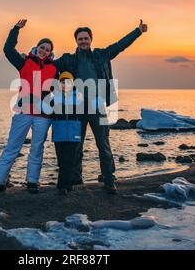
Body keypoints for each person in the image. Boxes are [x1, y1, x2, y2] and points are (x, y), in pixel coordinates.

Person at [54, 19, 148, 194]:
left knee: (103, 145)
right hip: (77, 110)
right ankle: (75, 180)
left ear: (91, 39)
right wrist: (29, 56)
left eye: (86, 38)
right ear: (76, 41)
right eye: (80, 38)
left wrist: (138, 31)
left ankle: (109, 180)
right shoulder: (68, 59)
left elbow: (121, 45)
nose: (83, 41)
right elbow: (47, 65)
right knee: (75, 146)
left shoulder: (101, 55)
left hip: (98, 108)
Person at [0, 19, 57, 197]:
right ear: (37, 47)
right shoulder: (25, 62)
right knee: (12, 148)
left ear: (50, 53)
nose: (44, 51)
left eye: (47, 50)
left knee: (37, 148)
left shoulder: (54, 67)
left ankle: (32, 182)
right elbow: (8, 50)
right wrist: (16, 29)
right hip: (23, 113)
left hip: (43, 115)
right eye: (42, 47)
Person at [41, 71, 84, 195]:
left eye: (68, 82)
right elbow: (47, 110)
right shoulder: (55, 99)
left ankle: (62, 186)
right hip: (59, 135)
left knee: (69, 160)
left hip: (73, 134)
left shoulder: (78, 97)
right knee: (61, 161)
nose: (65, 84)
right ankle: (69, 183)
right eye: (62, 82)